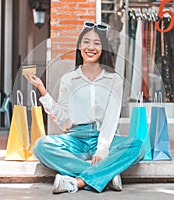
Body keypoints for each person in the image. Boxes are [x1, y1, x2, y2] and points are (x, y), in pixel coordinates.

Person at [24, 22, 144, 194]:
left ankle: (77, 181)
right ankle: (107, 175)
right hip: (75, 139)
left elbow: (111, 116)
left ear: (103, 48)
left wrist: (102, 148)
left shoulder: (114, 80)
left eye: (97, 43)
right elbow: (63, 119)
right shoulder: (68, 79)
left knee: (137, 146)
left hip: (103, 137)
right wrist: (42, 90)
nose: (91, 47)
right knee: (41, 146)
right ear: (79, 46)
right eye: (86, 42)